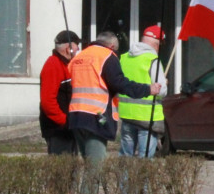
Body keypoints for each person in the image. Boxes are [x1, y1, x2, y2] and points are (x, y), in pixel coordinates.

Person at [67, 31, 163, 162]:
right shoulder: (107, 56)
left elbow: (70, 84)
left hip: (76, 116)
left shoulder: (79, 56)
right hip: (96, 117)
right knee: (95, 167)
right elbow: (120, 84)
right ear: (112, 46)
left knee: (86, 161)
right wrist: (147, 89)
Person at [118, 25, 167, 159]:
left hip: (127, 114)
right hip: (147, 117)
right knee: (145, 160)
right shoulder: (152, 59)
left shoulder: (124, 58)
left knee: (125, 158)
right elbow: (161, 91)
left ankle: (123, 175)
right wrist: (164, 84)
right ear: (157, 44)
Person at [39, 30, 81, 155]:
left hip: (68, 127)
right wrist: (64, 121)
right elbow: (47, 102)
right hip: (58, 129)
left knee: (72, 163)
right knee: (62, 164)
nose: (78, 49)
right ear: (69, 49)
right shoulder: (53, 65)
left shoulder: (67, 65)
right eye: (76, 46)